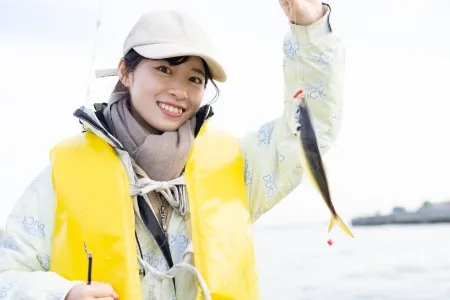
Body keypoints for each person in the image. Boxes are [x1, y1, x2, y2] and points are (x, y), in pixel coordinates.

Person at [0, 0, 345, 299]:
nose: (179, 90)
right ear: (126, 72)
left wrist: (310, 27)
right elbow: (6, 275)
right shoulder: (64, 177)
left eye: (194, 79)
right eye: (164, 69)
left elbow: (311, 127)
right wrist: (62, 295)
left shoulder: (238, 168)